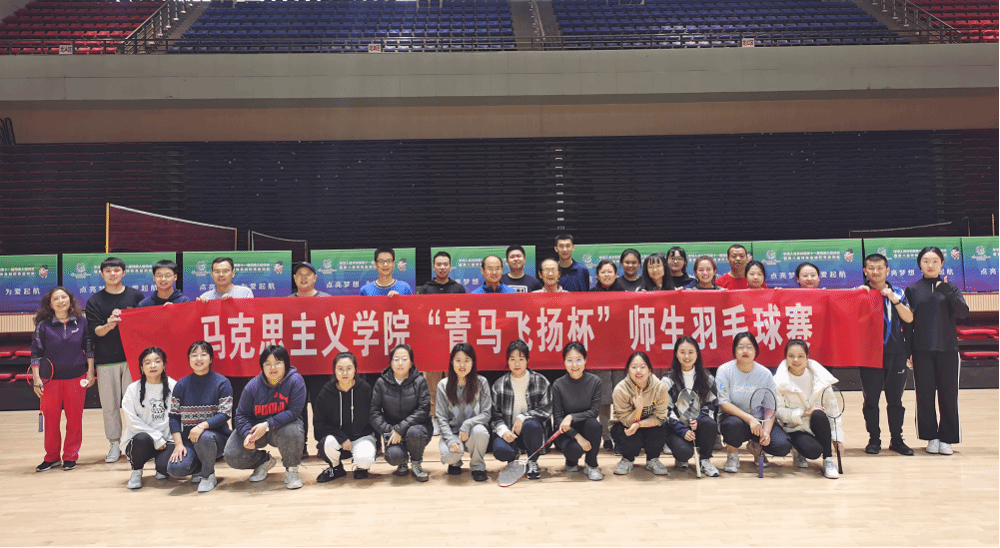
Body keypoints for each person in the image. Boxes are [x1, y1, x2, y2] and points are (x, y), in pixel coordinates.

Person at [905, 246, 969, 456]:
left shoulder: (951, 287)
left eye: (934, 261)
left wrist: (948, 291)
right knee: (924, 396)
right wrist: (908, 351)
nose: (930, 265)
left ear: (942, 263)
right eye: (925, 261)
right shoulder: (913, 290)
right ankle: (931, 436)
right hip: (921, 350)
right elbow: (908, 323)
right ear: (919, 264)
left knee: (948, 396)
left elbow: (963, 313)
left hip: (948, 349)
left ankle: (947, 438)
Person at [85, 256, 145, 463]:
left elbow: (146, 323)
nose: (113, 274)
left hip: (132, 360)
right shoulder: (94, 301)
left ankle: (135, 443)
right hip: (105, 361)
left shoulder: (136, 296)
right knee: (110, 406)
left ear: (124, 273)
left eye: (116, 270)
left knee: (134, 405)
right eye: (108, 271)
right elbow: (95, 331)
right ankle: (114, 444)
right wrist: (110, 324)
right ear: (102, 274)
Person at [224, 344, 307, 490]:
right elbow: (241, 415)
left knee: (293, 432)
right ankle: (264, 461)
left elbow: (294, 411)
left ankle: (292, 470)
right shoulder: (253, 386)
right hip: (255, 429)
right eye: (267, 364)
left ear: (286, 364)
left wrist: (267, 425)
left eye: (277, 363)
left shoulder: (295, 380)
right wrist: (247, 434)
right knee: (232, 454)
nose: (272, 368)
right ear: (262, 366)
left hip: (283, 426)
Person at [31, 287, 95, 472]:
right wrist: (36, 378)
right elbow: (36, 352)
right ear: (50, 304)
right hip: (49, 379)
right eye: (56, 299)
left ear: (70, 300)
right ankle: (51, 457)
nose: (61, 301)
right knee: (51, 420)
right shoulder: (43, 325)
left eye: (64, 297)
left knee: (74, 419)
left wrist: (90, 371)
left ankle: (70, 456)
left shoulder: (82, 322)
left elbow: (88, 348)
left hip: (76, 377)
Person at [859, 253, 914, 455]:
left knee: (895, 400)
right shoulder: (859, 293)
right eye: (871, 268)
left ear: (887, 270)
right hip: (869, 354)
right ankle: (874, 439)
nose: (875, 272)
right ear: (865, 271)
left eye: (880, 268)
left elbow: (909, 318)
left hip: (895, 353)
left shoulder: (898, 292)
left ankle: (897, 440)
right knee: (871, 400)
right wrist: (858, 297)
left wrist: (893, 299)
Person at [716, 332, 792, 473]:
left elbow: (770, 407)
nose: (745, 351)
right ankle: (732, 454)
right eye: (740, 347)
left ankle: (756, 446)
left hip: (759, 423)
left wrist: (766, 432)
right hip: (735, 420)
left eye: (749, 347)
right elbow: (723, 402)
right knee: (732, 425)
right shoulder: (724, 371)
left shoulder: (765, 374)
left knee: (782, 446)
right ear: (734, 350)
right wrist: (750, 419)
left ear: (756, 350)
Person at [195, 257, 254, 429]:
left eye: (225, 271)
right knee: (215, 403)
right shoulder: (205, 297)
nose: (221, 274)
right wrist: (198, 309)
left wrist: (235, 306)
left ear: (233, 273)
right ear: (212, 274)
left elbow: (253, 319)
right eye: (217, 271)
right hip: (216, 359)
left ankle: (240, 438)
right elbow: (197, 328)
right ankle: (216, 438)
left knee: (240, 403)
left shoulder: (245, 293)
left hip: (239, 358)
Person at [167, 341, 233, 493]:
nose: (198, 359)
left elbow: (225, 414)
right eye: (194, 355)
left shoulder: (222, 383)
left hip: (216, 439)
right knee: (175, 469)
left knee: (204, 437)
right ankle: (199, 467)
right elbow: (174, 417)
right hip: (190, 440)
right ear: (189, 359)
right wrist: (178, 444)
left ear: (211, 359)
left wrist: (201, 426)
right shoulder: (181, 385)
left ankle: (208, 475)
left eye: (203, 355)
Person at [774, 340, 842, 479]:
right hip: (795, 427)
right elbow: (779, 411)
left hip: (818, 424)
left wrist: (837, 438)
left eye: (800, 356)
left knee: (819, 414)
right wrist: (803, 413)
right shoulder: (778, 381)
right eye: (791, 356)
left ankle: (828, 460)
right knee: (813, 451)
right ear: (785, 357)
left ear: (807, 357)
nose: (796, 360)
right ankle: (798, 450)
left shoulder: (821, 378)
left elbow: (832, 408)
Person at [490, 339, 552, 481]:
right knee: (501, 450)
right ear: (508, 361)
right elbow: (494, 415)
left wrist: (523, 417)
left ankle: (532, 461)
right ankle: (513, 459)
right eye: (512, 359)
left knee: (531, 424)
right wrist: (504, 432)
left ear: (528, 360)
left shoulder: (540, 381)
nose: (517, 364)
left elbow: (546, 410)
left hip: (532, 434)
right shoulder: (499, 385)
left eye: (521, 359)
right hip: (510, 433)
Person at [370, 344, 432, 481]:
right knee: (394, 456)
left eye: (404, 359)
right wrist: (390, 430)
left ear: (411, 363)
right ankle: (402, 461)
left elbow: (424, 410)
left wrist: (400, 429)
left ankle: (416, 463)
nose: (400, 363)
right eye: (396, 359)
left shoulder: (420, 381)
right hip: (392, 430)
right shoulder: (381, 383)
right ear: (390, 363)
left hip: (417, 427)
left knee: (415, 433)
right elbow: (374, 412)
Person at [289, 261, 331, 457]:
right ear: (294, 278)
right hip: (295, 364)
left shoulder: (327, 300)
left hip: (320, 362)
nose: (303, 277)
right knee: (297, 407)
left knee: (321, 405)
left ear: (315, 278)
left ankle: (324, 444)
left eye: (308, 274)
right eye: (299, 274)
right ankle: (300, 445)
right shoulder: (286, 302)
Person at [314, 352, 377, 482]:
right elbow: (319, 425)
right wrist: (342, 438)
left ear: (355, 369)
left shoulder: (365, 389)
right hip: (338, 439)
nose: (345, 373)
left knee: (365, 459)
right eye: (340, 369)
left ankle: (361, 467)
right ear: (334, 371)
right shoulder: (326, 392)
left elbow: (374, 417)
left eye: (349, 368)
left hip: (361, 437)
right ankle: (336, 468)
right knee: (326, 443)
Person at [121, 347, 177, 489]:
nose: (153, 365)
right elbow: (132, 421)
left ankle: (161, 467)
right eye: (147, 362)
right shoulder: (132, 389)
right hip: (143, 440)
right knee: (141, 439)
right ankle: (136, 471)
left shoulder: (174, 386)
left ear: (164, 365)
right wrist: (156, 437)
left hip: (167, 440)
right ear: (141, 367)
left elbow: (179, 416)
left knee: (168, 468)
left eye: (157, 361)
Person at [663, 336, 720, 477]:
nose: (687, 356)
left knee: (709, 423)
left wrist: (698, 419)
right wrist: (682, 430)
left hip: (698, 426)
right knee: (683, 453)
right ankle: (681, 456)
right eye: (682, 352)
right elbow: (666, 410)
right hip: (676, 429)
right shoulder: (667, 380)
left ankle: (705, 460)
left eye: (690, 352)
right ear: (676, 354)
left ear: (697, 354)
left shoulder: (707, 378)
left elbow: (711, 404)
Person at [435, 343, 492, 481]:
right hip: (453, 433)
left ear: (473, 362)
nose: (462, 365)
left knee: (481, 432)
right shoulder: (443, 385)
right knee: (450, 456)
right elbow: (441, 418)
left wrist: (468, 424)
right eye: (458, 360)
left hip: (473, 431)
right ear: (452, 362)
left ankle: (477, 465)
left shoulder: (481, 383)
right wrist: (450, 440)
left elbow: (486, 414)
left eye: (467, 360)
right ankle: (455, 462)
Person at [609, 352, 670, 476]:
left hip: (650, 425)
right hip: (624, 425)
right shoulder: (620, 390)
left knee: (660, 429)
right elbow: (626, 421)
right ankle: (627, 460)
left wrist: (639, 424)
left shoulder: (660, 388)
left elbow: (659, 417)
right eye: (633, 367)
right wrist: (638, 409)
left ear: (650, 370)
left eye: (643, 367)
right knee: (629, 435)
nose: (638, 371)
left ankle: (653, 460)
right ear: (628, 370)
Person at [551, 341, 603, 480]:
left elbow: (594, 412)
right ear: (564, 362)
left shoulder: (595, 381)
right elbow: (558, 419)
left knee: (594, 425)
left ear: (585, 360)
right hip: (566, 431)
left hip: (587, 427)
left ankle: (591, 465)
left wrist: (571, 416)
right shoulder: (558, 385)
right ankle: (571, 461)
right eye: (570, 360)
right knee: (574, 449)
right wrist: (577, 437)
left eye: (578, 360)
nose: (574, 365)